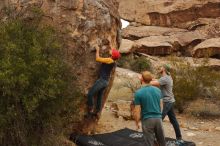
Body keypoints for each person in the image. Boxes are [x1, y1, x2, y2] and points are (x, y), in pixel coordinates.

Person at [150, 64, 184, 144]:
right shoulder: (166, 77)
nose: (159, 68)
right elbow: (156, 80)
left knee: (158, 119)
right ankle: (179, 138)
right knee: (173, 120)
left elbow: (153, 83)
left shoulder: (165, 79)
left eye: (161, 67)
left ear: (164, 69)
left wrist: (144, 80)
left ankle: (155, 138)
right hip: (169, 101)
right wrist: (149, 78)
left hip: (167, 102)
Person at [87, 45, 120, 119]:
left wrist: (97, 50)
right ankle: (97, 112)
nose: (111, 51)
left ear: (112, 55)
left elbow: (98, 59)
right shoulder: (113, 61)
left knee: (90, 94)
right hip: (106, 82)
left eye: (112, 52)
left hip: (102, 80)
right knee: (99, 96)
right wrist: (111, 48)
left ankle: (90, 110)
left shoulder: (109, 60)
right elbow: (113, 51)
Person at [133, 71, 165, 146]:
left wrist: (137, 122)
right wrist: (159, 115)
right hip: (158, 119)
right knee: (162, 142)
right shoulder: (158, 90)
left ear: (142, 80)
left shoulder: (138, 93)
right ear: (150, 79)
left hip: (147, 120)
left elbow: (137, 111)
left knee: (149, 143)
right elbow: (161, 105)